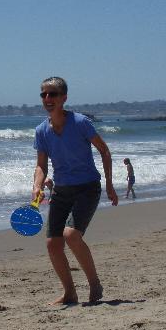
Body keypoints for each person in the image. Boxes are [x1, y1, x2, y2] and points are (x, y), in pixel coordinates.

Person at [33, 76, 118, 305]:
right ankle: (69, 292)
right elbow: (41, 165)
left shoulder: (80, 123)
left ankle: (94, 283)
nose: (48, 99)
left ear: (64, 98)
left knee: (71, 235)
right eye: (44, 94)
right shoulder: (41, 131)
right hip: (61, 190)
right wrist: (37, 186)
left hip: (87, 188)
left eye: (53, 94)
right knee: (53, 243)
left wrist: (109, 184)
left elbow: (105, 151)